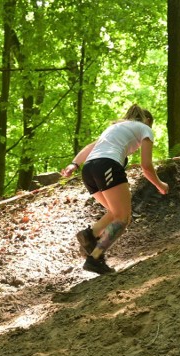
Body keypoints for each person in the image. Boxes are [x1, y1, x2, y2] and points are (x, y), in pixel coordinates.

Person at [60, 104, 169, 274]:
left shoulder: (114, 128)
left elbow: (91, 146)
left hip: (89, 170)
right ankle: (94, 257)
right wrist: (160, 185)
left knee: (114, 212)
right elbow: (146, 166)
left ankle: (90, 235)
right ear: (148, 121)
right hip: (107, 166)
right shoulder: (144, 128)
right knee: (122, 218)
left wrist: (74, 164)